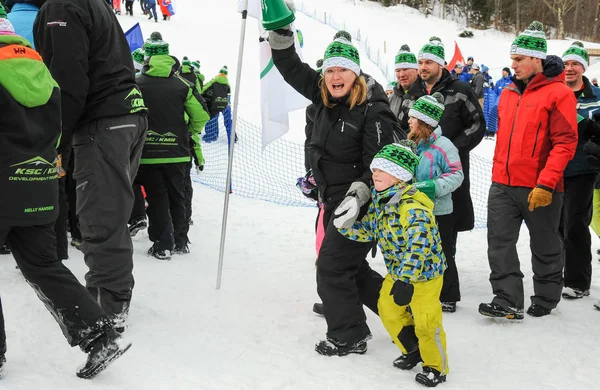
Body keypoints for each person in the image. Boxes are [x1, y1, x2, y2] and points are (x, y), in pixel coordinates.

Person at [0, 18, 129, 379]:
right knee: (44, 266)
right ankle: (99, 336)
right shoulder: (41, 69)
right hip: (39, 184)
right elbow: (58, 129)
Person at [269, 18, 396, 355]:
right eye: (330, 70)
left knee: (331, 266)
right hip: (332, 199)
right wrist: (281, 38)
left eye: (343, 70)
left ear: (356, 74)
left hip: (360, 205)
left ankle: (348, 334)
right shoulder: (322, 95)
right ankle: (401, 312)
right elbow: (290, 67)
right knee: (350, 268)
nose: (336, 77)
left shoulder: (373, 109)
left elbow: (384, 162)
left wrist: (360, 194)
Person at [34, 0, 149, 330]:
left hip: (105, 121)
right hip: (126, 114)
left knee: (100, 215)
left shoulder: (62, 7)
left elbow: (68, 79)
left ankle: (109, 303)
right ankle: (109, 290)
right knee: (108, 211)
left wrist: (57, 141)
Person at [479, 21, 578, 319]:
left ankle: (547, 297)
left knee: (545, 244)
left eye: (519, 59)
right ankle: (507, 299)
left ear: (537, 59)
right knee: (498, 243)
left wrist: (547, 184)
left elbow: (565, 143)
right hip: (502, 184)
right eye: (513, 59)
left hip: (540, 186)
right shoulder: (508, 93)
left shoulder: (558, 93)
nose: (514, 65)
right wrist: (498, 172)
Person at [339, 142, 449, 387]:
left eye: (382, 170)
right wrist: (345, 226)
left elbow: (419, 246)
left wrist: (406, 279)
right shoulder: (381, 201)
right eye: (374, 169)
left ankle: (435, 367)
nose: (375, 174)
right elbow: (369, 230)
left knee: (427, 323)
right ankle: (413, 349)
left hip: (425, 275)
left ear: (399, 177)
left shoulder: (413, 207)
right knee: (388, 310)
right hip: (399, 272)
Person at [399, 37, 485, 309]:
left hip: (451, 164)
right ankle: (423, 278)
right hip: (417, 166)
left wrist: (452, 148)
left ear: (440, 64)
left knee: (448, 223)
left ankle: (446, 280)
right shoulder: (412, 91)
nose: (422, 67)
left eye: (428, 62)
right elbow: (403, 124)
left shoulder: (459, 89)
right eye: (420, 62)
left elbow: (477, 124)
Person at [136, 32, 209, 259]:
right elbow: (202, 115)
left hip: (147, 154)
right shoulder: (182, 84)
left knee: (156, 197)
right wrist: (189, 131)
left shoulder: (136, 83)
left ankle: (162, 243)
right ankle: (181, 240)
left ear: (147, 58)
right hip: (178, 153)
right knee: (177, 194)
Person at [409, 93, 464, 312]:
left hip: (439, 211)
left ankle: (449, 295)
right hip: (414, 209)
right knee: (419, 250)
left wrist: (434, 187)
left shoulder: (444, 146)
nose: (409, 121)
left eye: (413, 118)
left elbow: (457, 175)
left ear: (425, 121)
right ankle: (421, 290)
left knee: (442, 252)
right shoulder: (412, 143)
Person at [560, 42, 600, 300]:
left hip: (584, 168)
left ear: (583, 67)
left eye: (575, 64)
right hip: (553, 168)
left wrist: (593, 143)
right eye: (566, 64)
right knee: (555, 226)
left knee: (575, 223)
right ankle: (555, 275)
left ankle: (577, 281)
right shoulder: (554, 93)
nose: (570, 69)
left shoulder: (596, 95)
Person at [389, 44, 419, 131]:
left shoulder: (424, 94)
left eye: (405, 69)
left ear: (416, 70)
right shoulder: (392, 97)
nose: (401, 75)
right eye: (398, 71)